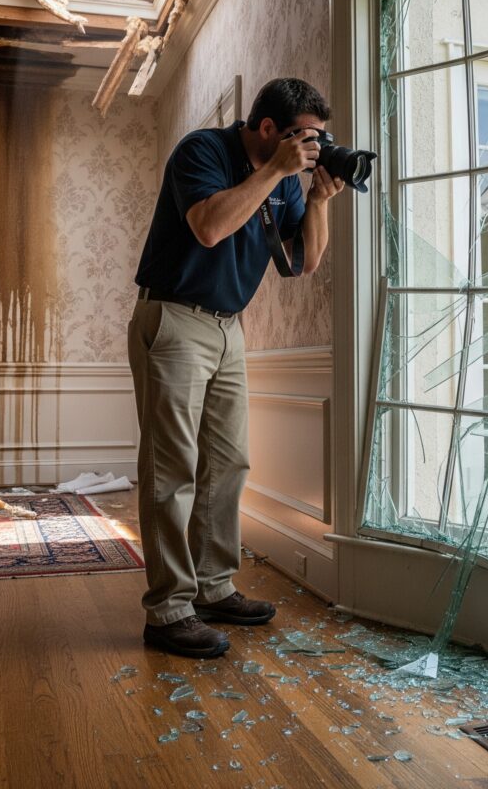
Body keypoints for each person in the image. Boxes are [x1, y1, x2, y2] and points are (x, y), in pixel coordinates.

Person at [128, 77, 344, 658]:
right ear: (268, 128)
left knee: (228, 463)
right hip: (173, 317)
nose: (312, 150)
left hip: (228, 328)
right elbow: (209, 227)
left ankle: (213, 587)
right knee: (173, 467)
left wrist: (318, 199)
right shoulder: (203, 151)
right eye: (304, 137)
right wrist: (274, 171)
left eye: (318, 141)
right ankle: (169, 610)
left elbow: (302, 263)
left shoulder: (288, 180)